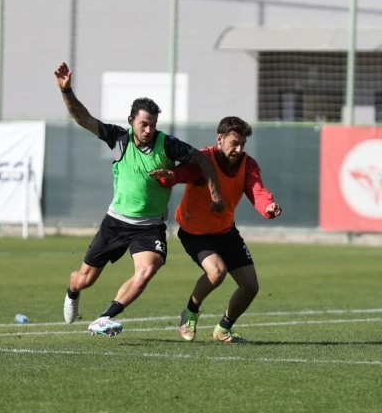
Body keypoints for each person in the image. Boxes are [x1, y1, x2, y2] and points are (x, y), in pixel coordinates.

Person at [54, 62, 225, 337]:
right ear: (131, 120)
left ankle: (103, 318)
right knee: (84, 279)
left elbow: (203, 161)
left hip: (149, 227)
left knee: (147, 270)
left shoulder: (167, 144)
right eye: (144, 124)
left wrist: (215, 196)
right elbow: (83, 118)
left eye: (153, 124)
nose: (148, 129)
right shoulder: (119, 139)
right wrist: (67, 91)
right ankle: (72, 290)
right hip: (115, 223)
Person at [151, 116, 282, 343]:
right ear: (219, 139)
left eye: (242, 144)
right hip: (195, 232)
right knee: (217, 272)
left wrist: (268, 207)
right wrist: (171, 178)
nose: (239, 149)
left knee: (250, 287)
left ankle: (223, 329)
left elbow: (257, 191)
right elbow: (183, 173)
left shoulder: (247, 164)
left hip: (225, 231)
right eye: (234, 143)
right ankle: (190, 312)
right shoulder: (204, 159)